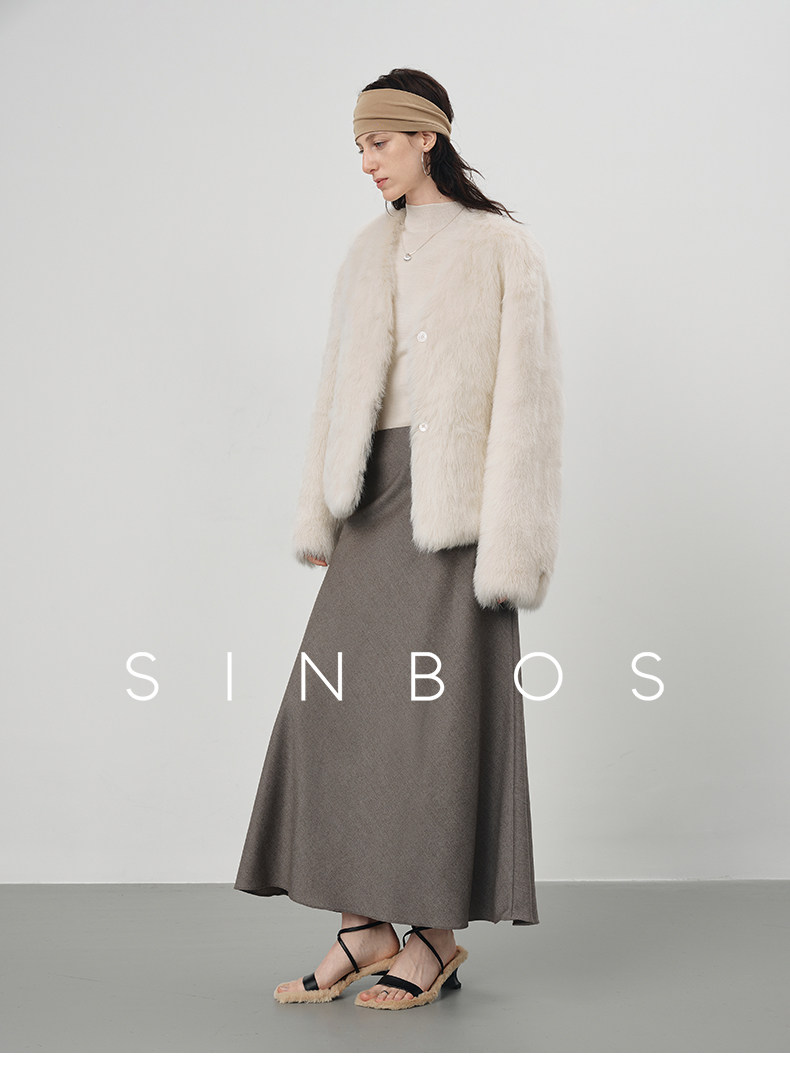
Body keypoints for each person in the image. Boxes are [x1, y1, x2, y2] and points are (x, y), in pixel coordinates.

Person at [233, 68, 564, 1012]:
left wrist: (510, 537)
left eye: (378, 141)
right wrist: (323, 507)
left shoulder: (500, 246)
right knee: (333, 707)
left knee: (435, 721)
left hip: (457, 501)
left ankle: (436, 937)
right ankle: (365, 925)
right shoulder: (366, 252)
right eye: (358, 146)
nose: (366, 161)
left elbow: (530, 400)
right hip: (374, 491)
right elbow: (337, 385)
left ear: (428, 136)